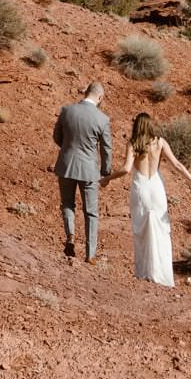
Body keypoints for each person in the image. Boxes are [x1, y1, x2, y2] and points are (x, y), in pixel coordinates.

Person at [105, 111, 191, 287]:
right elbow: (178, 165)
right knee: (161, 231)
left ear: (136, 125)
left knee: (142, 230)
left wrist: (106, 179)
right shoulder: (160, 142)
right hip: (157, 188)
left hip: (141, 188)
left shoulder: (133, 144)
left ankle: (145, 273)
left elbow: (126, 169)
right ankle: (163, 276)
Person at [51, 82, 113, 262]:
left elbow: (56, 136)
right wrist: (106, 172)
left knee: (68, 204)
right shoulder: (102, 119)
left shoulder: (67, 111)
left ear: (86, 93)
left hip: (66, 165)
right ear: (100, 97)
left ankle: (70, 236)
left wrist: (67, 149)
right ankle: (90, 254)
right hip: (89, 170)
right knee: (91, 212)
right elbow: (106, 149)